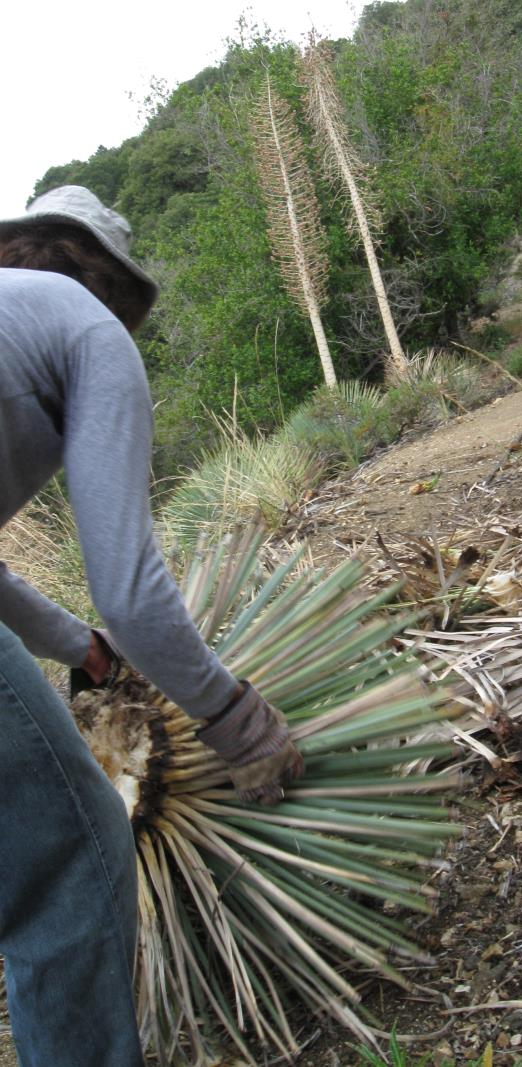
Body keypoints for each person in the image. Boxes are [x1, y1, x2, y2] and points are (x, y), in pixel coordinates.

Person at [0, 185, 302, 1067]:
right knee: (71, 856)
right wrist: (236, 719)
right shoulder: (85, 328)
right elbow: (129, 588)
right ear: (110, 284)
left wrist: (81, 649)